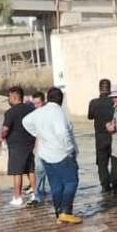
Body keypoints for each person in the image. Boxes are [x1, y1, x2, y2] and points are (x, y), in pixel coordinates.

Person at [23, 87, 81, 224]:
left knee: (56, 185)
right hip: (61, 154)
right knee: (71, 181)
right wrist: (70, 150)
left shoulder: (40, 111)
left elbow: (25, 121)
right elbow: (63, 133)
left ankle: (58, 213)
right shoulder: (58, 112)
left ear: (48, 98)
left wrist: (38, 134)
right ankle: (66, 212)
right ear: (61, 99)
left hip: (45, 155)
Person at [1, 86, 37, 208]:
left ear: (14, 97)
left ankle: (17, 197)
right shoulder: (31, 109)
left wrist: (1, 137)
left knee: (17, 172)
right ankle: (35, 193)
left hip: (16, 145)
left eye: (9, 97)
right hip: (30, 143)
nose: (8, 99)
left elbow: (5, 129)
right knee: (30, 170)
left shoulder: (10, 113)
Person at [87, 78, 117, 194]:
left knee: (102, 163)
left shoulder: (93, 102)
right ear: (110, 88)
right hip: (114, 136)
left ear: (99, 88)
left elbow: (90, 116)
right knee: (115, 161)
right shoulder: (114, 101)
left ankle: (105, 186)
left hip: (100, 138)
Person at [28, 90, 50, 205]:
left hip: (50, 147)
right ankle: (37, 193)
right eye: (34, 104)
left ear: (44, 102)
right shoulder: (35, 115)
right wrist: (35, 148)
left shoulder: (48, 113)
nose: (36, 106)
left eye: (38, 103)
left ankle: (39, 192)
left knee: (44, 170)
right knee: (39, 169)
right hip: (40, 147)